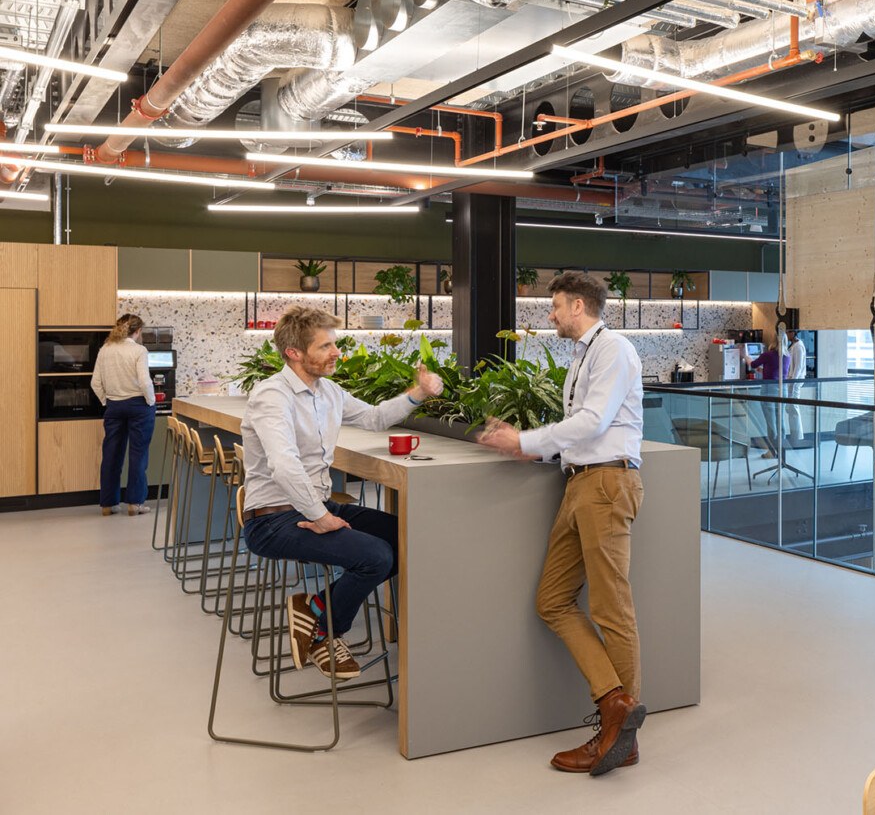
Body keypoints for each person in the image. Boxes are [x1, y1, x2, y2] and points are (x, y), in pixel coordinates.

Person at [476, 272, 647, 777]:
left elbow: (595, 420)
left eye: (554, 306)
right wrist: (549, 452)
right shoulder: (583, 354)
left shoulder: (613, 349)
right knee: (551, 600)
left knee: (611, 607)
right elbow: (587, 428)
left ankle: (621, 736)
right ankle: (616, 703)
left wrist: (525, 441)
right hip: (579, 482)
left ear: (578, 305)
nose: (549, 315)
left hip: (606, 486)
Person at [240, 305, 442, 680]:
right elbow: (284, 465)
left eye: (334, 344)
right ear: (294, 353)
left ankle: (315, 607)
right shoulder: (272, 396)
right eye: (326, 346)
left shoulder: (328, 392)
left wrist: (419, 392)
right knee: (376, 557)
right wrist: (319, 517)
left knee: (407, 538)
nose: (337, 352)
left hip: (315, 505)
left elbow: (375, 418)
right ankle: (324, 634)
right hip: (273, 519)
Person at [91, 314, 157, 516]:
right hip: (138, 406)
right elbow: (145, 382)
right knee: (138, 455)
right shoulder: (139, 350)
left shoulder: (105, 350)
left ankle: (108, 504)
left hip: (114, 406)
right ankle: (135, 504)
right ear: (137, 332)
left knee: (111, 454)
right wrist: (151, 401)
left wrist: (106, 400)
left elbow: (95, 382)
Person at [784, 329, 807, 445]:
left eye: (788, 332)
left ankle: (797, 437)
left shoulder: (798, 346)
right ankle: (795, 435)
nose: (786, 335)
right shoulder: (792, 345)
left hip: (795, 381)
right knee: (790, 408)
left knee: (793, 408)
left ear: (793, 332)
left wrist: (793, 382)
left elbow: (798, 366)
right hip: (791, 380)